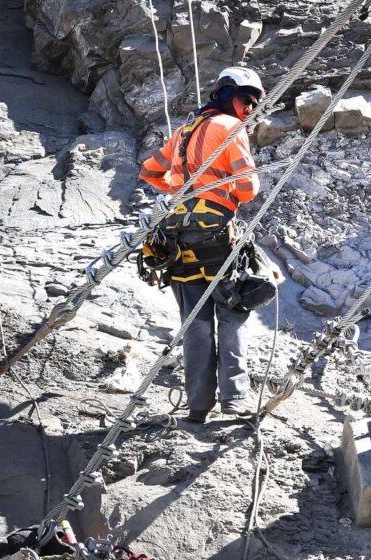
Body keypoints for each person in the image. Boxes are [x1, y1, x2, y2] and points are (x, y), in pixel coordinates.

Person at [138, 67, 264, 424]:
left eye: (254, 103)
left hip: (177, 234)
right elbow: (248, 189)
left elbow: (149, 172)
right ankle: (234, 399)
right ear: (227, 95)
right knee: (232, 313)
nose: (250, 108)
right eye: (245, 99)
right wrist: (216, 191)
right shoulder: (229, 129)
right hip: (215, 232)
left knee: (194, 323)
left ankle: (198, 406)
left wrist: (182, 193)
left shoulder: (182, 132)